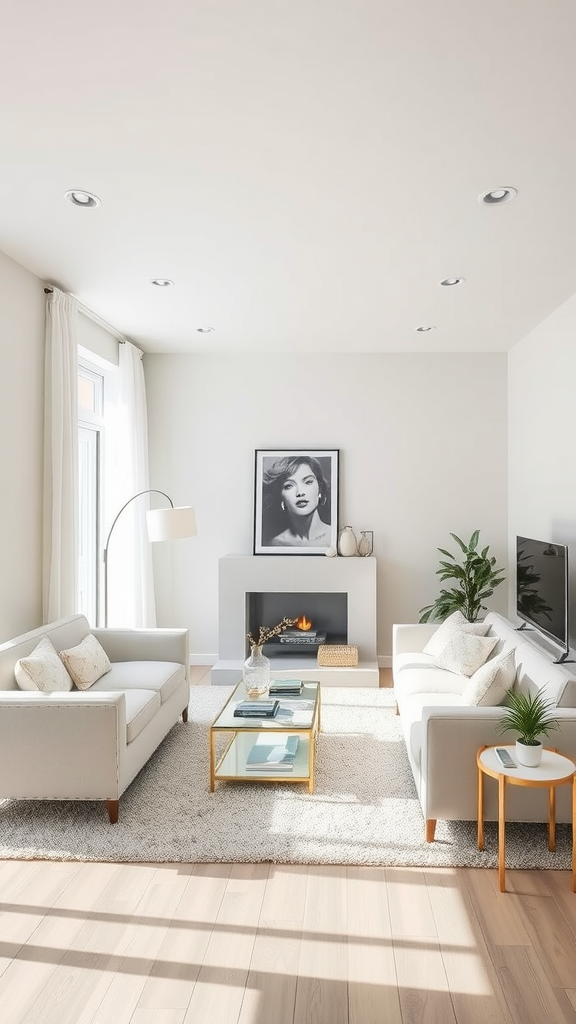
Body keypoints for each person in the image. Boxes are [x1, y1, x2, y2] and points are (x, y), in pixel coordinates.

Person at [262, 455, 332, 547]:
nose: (300, 493)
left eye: (308, 482)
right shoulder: (275, 544)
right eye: (289, 486)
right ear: (281, 498)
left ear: (320, 489)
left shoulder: (336, 538)